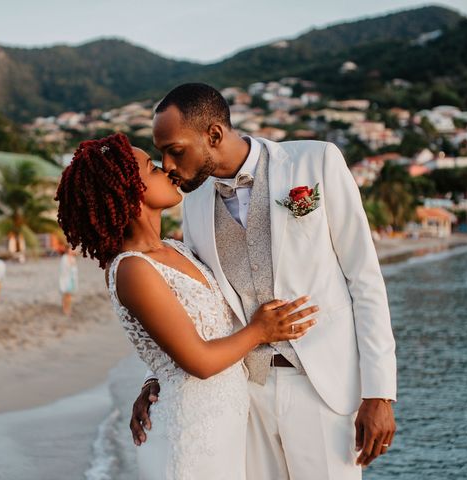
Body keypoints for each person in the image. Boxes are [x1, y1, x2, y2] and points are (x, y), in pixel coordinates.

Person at [129, 84, 397, 479]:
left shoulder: (316, 161)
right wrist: (158, 377)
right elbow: (200, 305)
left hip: (322, 386)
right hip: (246, 392)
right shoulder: (195, 201)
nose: (167, 164)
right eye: (162, 153)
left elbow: (365, 278)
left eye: (176, 150)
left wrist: (379, 393)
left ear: (214, 135)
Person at [54, 133, 318, 479]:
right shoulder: (132, 269)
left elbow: (180, 337)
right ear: (130, 192)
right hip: (191, 431)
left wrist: (153, 377)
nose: (166, 170)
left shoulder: (175, 249)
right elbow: (199, 361)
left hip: (226, 422)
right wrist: (260, 330)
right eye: (151, 167)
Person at [58, 247, 78, 315]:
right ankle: (64, 308)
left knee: (69, 295)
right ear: (68, 250)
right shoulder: (64, 258)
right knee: (65, 295)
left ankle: (68, 308)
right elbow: (63, 270)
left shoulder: (73, 258)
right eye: (71, 249)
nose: (72, 250)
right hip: (65, 278)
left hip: (71, 279)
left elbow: (75, 270)